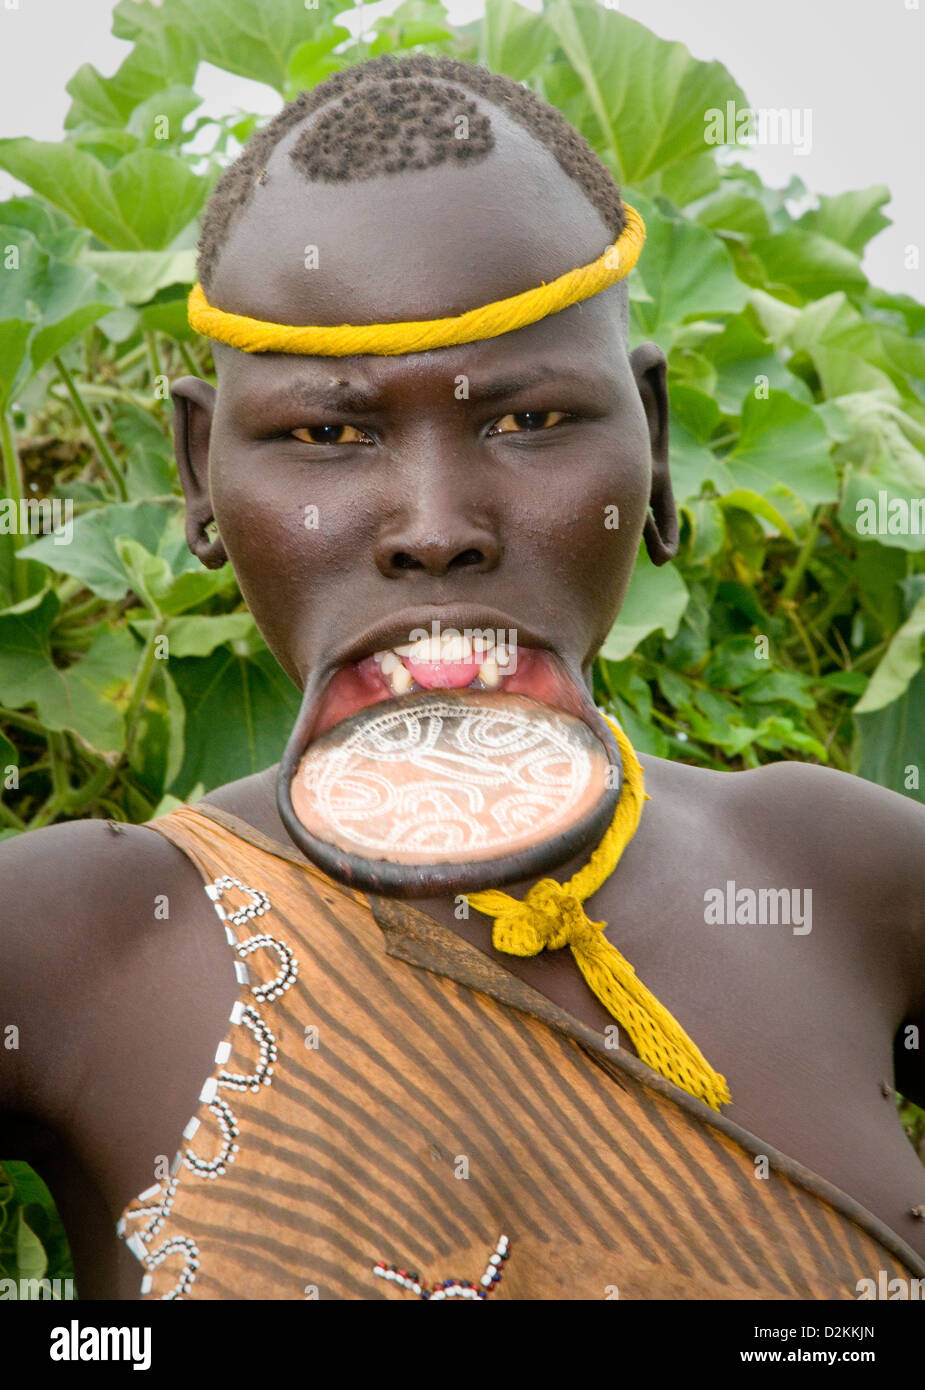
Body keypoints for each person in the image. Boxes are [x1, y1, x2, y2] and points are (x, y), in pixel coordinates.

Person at [1, 52, 923, 1302]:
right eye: (327, 434)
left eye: (528, 420)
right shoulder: (70, 947)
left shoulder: (843, 877)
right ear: (198, 472)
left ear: (652, 446)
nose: (435, 527)